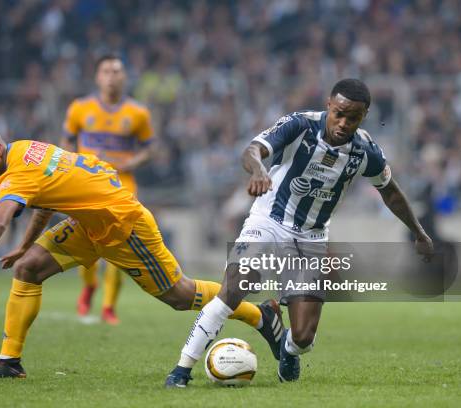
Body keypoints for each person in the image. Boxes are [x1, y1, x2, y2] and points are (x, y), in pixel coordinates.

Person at [0, 124, 284, 379]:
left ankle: (260, 315)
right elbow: (46, 203)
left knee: (178, 294)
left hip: (121, 224)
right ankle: (9, 361)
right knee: (29, 267)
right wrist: (24, 246)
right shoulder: (24, 150)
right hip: (88, 224)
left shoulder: (16, 174)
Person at [165, 79, 434, 387]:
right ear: (329, 105)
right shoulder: (300, 125)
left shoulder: (365, 151)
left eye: (353, 117)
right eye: (339, 114)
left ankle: (288, 349)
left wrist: (419, 232)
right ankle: (181, 369)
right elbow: (253, 149)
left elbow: (391, 192)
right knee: (233, 290)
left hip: (311, 238)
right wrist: (258, 169)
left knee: (304, 337)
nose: (344, 123)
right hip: (267, 220)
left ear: (365, 115)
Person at [61, 55, 154, 325]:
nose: (112, 76)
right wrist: (72, 168)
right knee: (84, 242)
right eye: (106, 71)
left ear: (124, 77)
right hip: (86, 184)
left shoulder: (138, 113)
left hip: (121, 183)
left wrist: (131, 161)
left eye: (117, 71)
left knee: (117, 245)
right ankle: (89, 285)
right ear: (97, 77)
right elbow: (66, 142)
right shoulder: (80, 108)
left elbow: (149, 148)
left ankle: (108, 306)